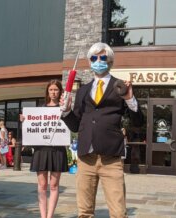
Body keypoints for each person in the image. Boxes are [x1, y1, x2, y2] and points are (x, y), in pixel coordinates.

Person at [60, 42, 143, 217]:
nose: (98, 61)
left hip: (111, 158)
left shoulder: (120, 87)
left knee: (118, 213)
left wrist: (129, 98)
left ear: (110, 61)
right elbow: (75, 125)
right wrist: (66, 111)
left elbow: (137, 122)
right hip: (86, 158)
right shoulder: (82, 91)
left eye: (103, 57)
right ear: (89, 62)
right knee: (84, 212)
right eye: (94, 58)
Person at [20, 80, 68, 218]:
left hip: (57, 150)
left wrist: (67, 108)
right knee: (42, 185)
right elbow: (31, 128)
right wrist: (25, 120)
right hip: (41, 150)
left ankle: (50, 216)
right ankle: (42, 216)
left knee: (54, 185)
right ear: (47, 92)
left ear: (60, 92)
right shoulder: (39, 109)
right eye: (51, 90)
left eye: (56, 90)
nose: (53, 92)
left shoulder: (64, 109)